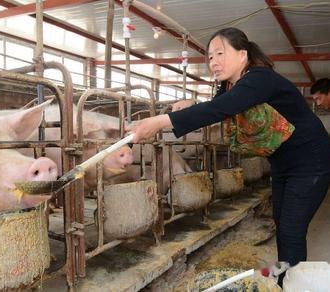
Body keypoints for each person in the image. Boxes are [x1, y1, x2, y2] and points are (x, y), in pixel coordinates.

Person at [128, 27, 330, 285]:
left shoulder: (259, 78)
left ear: (243, 54)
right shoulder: (230, 85)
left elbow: (221, 108)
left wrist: (159, 122)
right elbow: (217, 105)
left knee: (291, 229)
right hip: (283, 162)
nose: (213, 62)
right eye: (210, 57)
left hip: (311, 161)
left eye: (220, 53)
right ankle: (287, 279)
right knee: (282, 221)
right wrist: (191, 103)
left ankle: (292, 284)